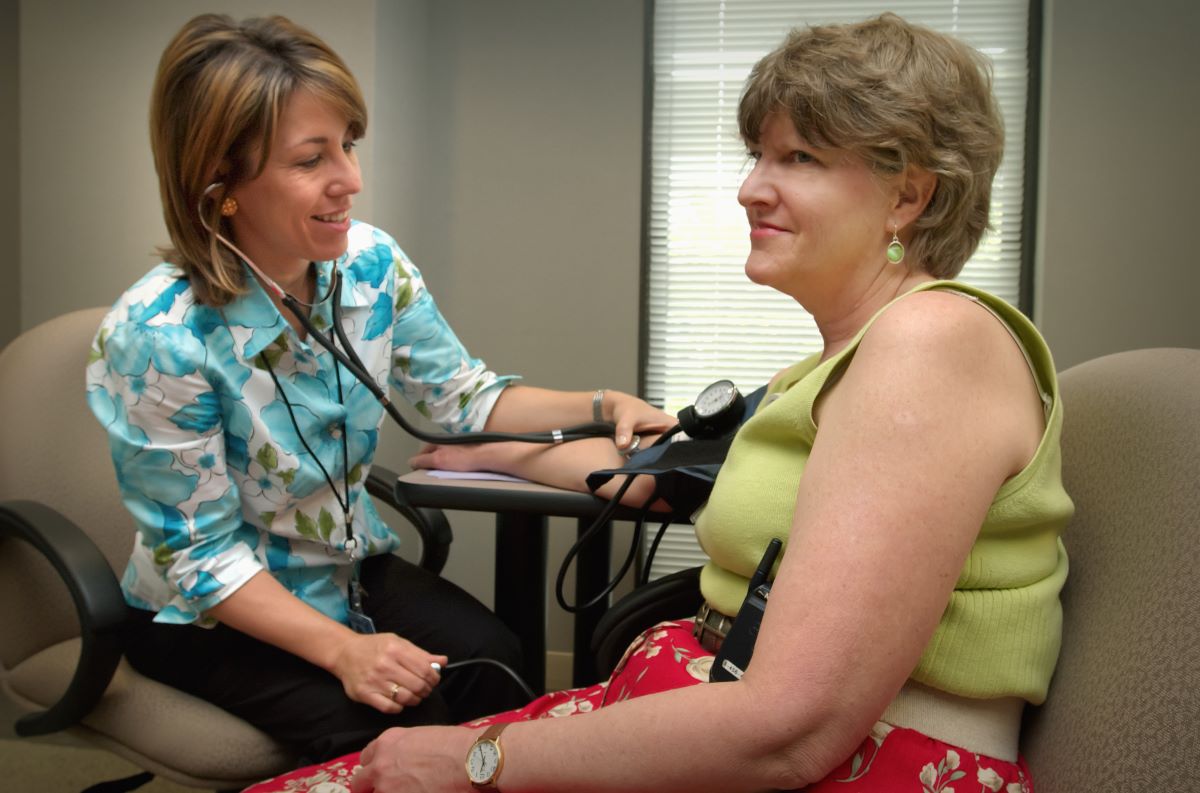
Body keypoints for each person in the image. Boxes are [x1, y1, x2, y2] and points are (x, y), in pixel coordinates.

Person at [244, 12, 1073, 792]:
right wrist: (491, 448)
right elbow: (650, 473)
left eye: (800, 159)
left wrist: (478, 759)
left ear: (907, 197)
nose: (752, 188)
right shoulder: (825, 369)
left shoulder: (929, 346)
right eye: (759, 155)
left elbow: (794, 725)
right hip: (716, 716)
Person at [84, 13, 671, 764]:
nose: (351, 181)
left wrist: (603, 406)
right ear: (220, 184)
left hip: (343, 568)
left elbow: (462, 401)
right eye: (310, 160)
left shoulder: (368, 265)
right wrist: (342, 652)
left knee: (502, 667)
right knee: (390, 730)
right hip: (211, 613)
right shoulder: (156, 336)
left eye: (348, 146)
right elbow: (202, 560)